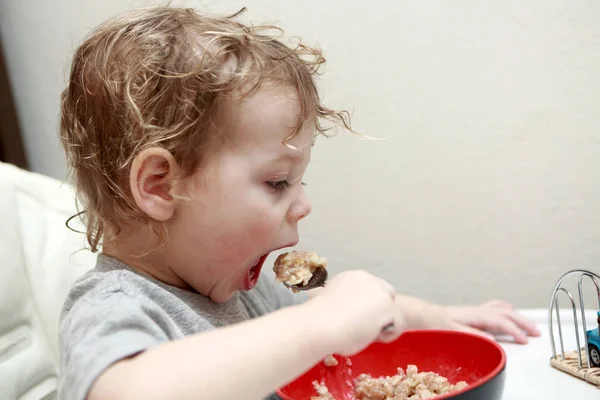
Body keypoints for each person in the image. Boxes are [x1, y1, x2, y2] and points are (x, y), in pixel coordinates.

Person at [58, 7, 540, 400]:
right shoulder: (114, 307)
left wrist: (433, 316)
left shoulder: (240, 289)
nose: (303, 205)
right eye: (277, 182)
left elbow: (331, 300)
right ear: (163, 186)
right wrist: (321, 324)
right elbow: (125, 391)